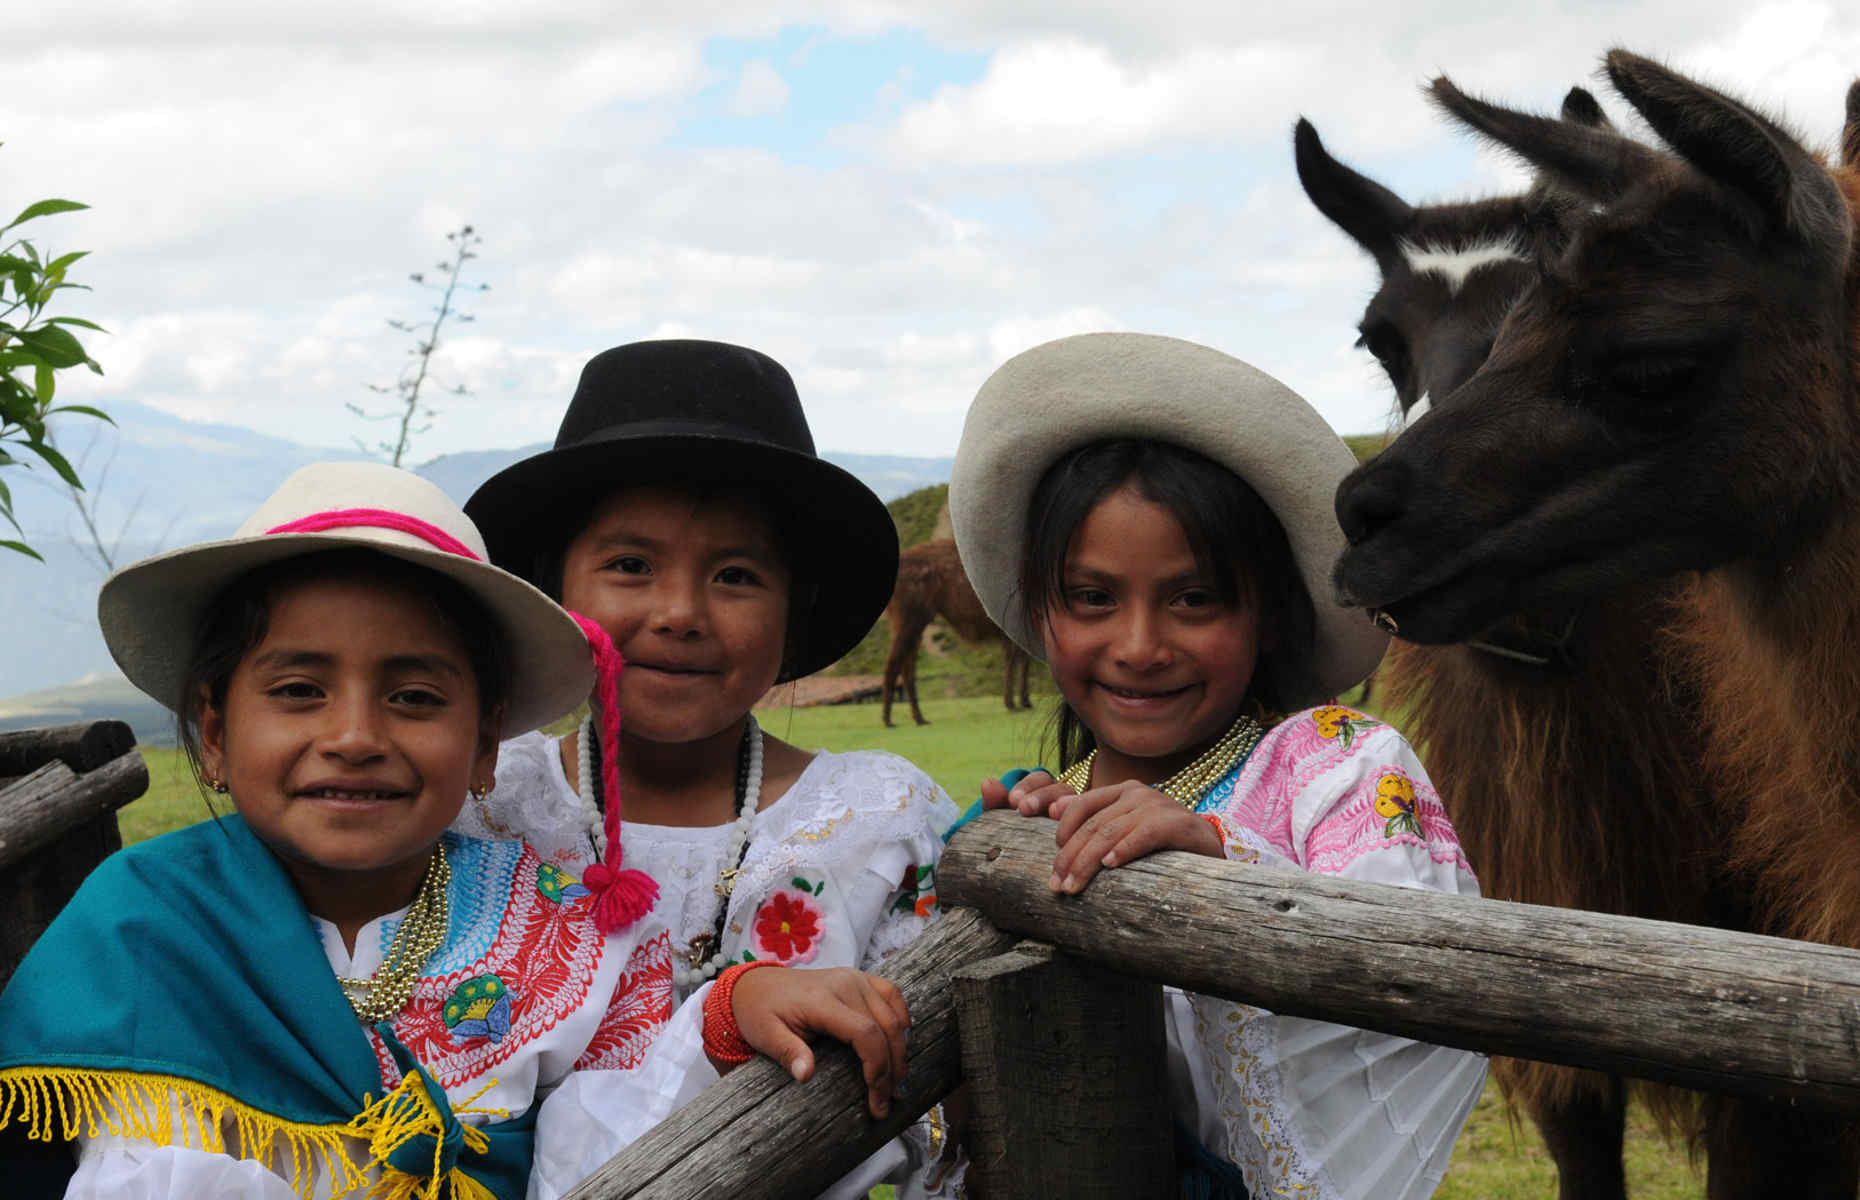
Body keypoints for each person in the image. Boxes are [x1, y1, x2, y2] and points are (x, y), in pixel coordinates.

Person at [0, 461, 908, 1200]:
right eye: (298, 691)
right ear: (211, 731)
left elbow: (615, 1161)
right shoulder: (142, 928)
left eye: (415, 698)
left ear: (484, 745)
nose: (355, 737)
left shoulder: (575, 939)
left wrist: (721, 1017)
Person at [946, 333, 1485, 1200]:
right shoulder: (1019, 817)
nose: (1140, 647)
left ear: (1267, 612)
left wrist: (1218, 853)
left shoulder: (1335, 764)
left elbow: (1428, 972)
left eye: (1195, 599)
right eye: (1092, 598)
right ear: (1042, 611)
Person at [455, 339, 964, 1196]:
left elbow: (940, 1108)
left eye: (735, 575)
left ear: (794, 612)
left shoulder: (881, 823)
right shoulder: (482, 805)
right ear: (554, 588)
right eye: (630, 566)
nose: (680, 612)